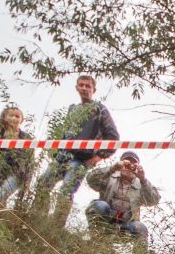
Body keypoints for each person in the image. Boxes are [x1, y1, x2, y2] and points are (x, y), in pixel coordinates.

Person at [31, 74, 120, 221]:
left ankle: (56, 226)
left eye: (88, 86)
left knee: (66, 191)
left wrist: (99, 156)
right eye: (81, 85)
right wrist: (55, 150)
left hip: (81, 158)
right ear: (77, 88)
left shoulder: (99, 109)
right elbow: (66, 132)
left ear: (94, 89)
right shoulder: (73, 109)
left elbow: (113, 137)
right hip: (62, 155)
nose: (84, 88)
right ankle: (38, 219)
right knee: (42, 183)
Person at [84, 151, 159, 254]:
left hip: (126, 225)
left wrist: (143, 180)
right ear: (121, 164)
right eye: (127, 163)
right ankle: (98, 243)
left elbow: (154, 200)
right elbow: (90, 179)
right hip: (106, 219)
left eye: (133, 164)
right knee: (100, 206)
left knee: (140, 228)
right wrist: (112, 168)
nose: (129, 167)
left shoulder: (140, 184)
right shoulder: (110, 177)